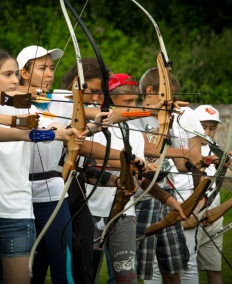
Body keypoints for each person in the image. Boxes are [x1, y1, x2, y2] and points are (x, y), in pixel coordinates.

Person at [0, 49, 86, 284]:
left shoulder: (27, 107)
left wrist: (68, 132)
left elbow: (50, 126)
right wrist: (12, 101)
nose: (15, 80)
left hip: (17, 208)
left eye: (16, 74)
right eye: (8, 74)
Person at [16, 46, 113, 284]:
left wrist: (99, 119)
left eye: (51, 68)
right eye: (42, 68)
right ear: (24, 73)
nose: (49, 73)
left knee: (63, 265)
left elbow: (87, 116)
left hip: (53, 192)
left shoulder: (61, 99)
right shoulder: (9, 103)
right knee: (26, 267)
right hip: (19, 192)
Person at [83, 73, 188, 284]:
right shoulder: (91, 125)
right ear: (110, 101)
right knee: (86, 276)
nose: (132, 108)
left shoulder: (132, 131)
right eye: (127, 103)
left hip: (124, 212)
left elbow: (140, 175)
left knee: (126, 276)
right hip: (90, 211)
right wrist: (129, 163)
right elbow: (91, 163)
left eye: (134, 102)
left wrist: (169, 200)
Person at [131, 67, 204, 284]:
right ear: (151, 91)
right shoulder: (132, 115)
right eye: (167, 96)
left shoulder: (166, 119)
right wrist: (184, 152)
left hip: (166, 193)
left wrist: (201, 162)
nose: (172, 102)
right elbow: (147, 149)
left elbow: (180, 165)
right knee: (142, 266)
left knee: (172, 265)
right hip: (142, 196)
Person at [194, 105, 225, 284]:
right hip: (192, 215)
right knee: (188, 268)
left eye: (212, 128)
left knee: (214, 268)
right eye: (203, 126)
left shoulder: (219, 152)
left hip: (214, 216)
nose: (207, 132)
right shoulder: (186, 150)